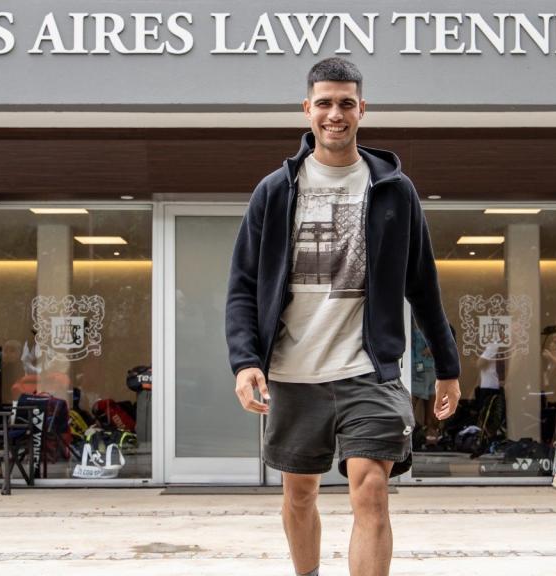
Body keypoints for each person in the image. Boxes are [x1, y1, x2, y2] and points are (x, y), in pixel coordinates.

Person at [225, 57, 461, 576]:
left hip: (368, 370)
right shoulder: (274, 191)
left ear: (362, 109)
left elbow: (423, 284)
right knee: (300, 494)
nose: (335, 114)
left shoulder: (394, 190)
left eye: (346, 103)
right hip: (293, 372)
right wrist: (245, 361)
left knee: (372, 489)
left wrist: (447, 366)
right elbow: (243, 284)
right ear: (307, 109)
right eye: (325, 103)